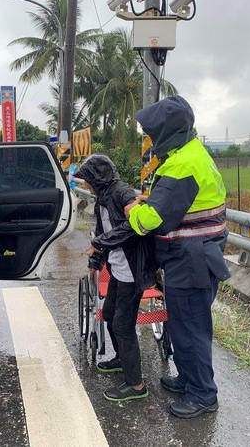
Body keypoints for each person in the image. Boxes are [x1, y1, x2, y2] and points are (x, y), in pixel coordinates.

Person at [124, 95, 231, 418]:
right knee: (184, 323)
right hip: (195, 255)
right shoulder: (190, 154)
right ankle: (188, 379)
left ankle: (202, 394)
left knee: (191, 327)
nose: (150, 139)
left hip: (191, 259)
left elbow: (152, 219)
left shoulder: (183, 164)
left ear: (168, 131)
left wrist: (133, 210)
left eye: (152, 132)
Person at [76, 154, 156, 402]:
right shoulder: (102, 197)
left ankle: (136, 385)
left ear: (98, 177)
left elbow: (135, 226)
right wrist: (95, 260)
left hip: (133, 270)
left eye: (88, 179)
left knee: (123, 325)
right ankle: (122, 359)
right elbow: (103, 230)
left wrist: (99, 242)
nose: (86, 184)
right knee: (109, 315)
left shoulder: (123, 193)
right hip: (118, 268)